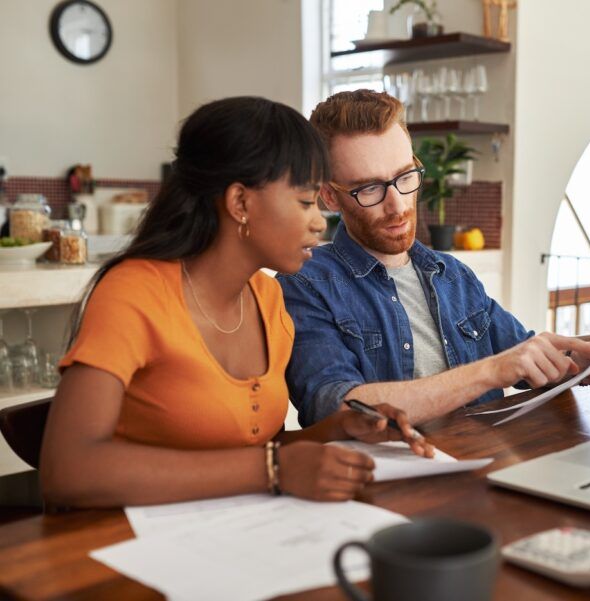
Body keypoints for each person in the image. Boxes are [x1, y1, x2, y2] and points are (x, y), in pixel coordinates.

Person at [40, 97, 431, 509]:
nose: (319, 220)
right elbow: (67, 471)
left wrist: (342, 428)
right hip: (126, 546)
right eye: (304, 201)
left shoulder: (268, 300)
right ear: (240, 203)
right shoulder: (134, 294)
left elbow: (257, 445)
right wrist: (274, 470)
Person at [277, 90, 590, 427]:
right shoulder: (303, 284)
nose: (397, 205)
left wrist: (579, 362)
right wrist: (490, 371)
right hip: (393, 481)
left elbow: (521, 357)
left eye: (405, 177)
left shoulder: (451, 274)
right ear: (329, 197)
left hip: (486, 467)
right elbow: (335, 410)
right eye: (369, 188)